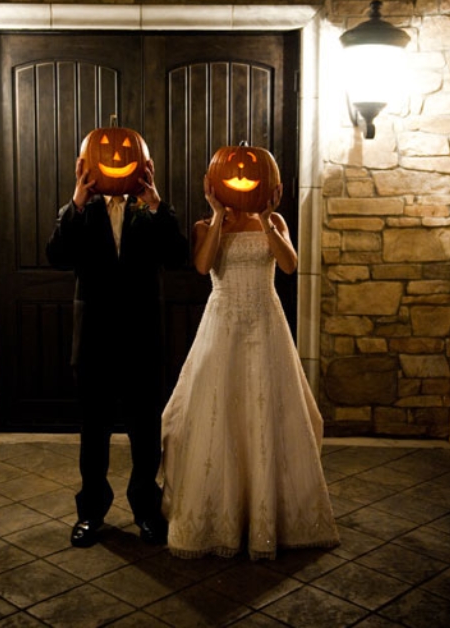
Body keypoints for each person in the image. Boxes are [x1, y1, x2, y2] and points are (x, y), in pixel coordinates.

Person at [161, 174, 340, 559]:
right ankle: (219, 519)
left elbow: (290, 266)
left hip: (265, 320)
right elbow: (204, 265)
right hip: (223, 320)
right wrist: (217, 215)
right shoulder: (204, 226)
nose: (241, 176)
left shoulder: (273, 222)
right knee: (219, 412)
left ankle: (267, 515)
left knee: (266, 414)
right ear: (213, 183)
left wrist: (267, 217)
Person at [46, 151, 188, 548]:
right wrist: (75, 199)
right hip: (94, 340)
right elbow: (56, 256)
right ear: (86, 165)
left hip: (142, 339)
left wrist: (156, 203)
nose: (115, 160)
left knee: (145, 432)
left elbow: (177, 256)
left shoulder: (151, 210)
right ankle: (91, 513)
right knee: (94, 432)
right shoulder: (81, 212)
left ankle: (146, 510)